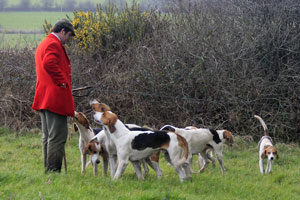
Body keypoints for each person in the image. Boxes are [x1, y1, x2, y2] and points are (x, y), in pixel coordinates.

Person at [32, 19, 75, 173]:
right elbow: (49, 63)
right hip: (54, 98)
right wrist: (63, 82)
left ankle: (48, 170)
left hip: (43, 97)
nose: (68, 40)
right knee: (57, 137)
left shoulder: (44, 43)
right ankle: (53, 171)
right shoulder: (53, 44)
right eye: (69, 36)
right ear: (62, 31)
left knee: (48, 136)